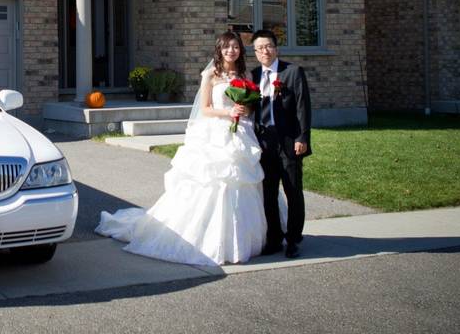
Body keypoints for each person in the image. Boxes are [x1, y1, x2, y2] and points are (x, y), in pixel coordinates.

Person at [95, 31, 266, 266]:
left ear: (240, 50)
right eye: (227, 47)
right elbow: (205, 109)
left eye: (235, 47)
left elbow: (251, 105)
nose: (231, 51)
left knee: (241, 182)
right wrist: (227, 112)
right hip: (215, 135)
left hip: (240, 134)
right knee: (212, 184)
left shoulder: (246, 74)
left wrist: (244, 110)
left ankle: (240, 239)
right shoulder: (210, 75)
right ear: (219, 50)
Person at [251, 29, 312, 259]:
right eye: (259, 48)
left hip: (289, 141)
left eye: (268, 46)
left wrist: (302, 138)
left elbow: (302, 107)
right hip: (265, 143)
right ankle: (274, 239)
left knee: (293, 191)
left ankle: (294, 239)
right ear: (255, 52)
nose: (264, 51)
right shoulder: (254, 76)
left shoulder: (293, 72)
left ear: (276, 48)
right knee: (268, 193)